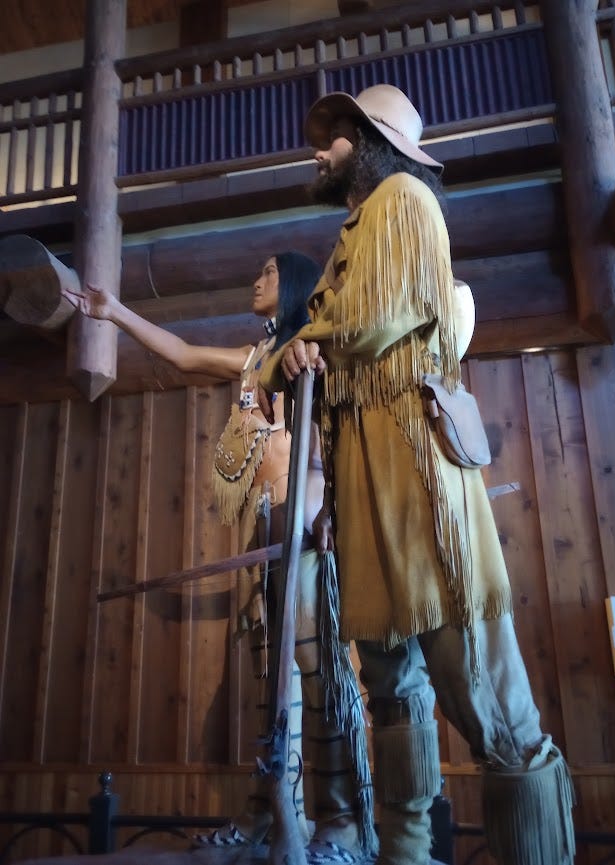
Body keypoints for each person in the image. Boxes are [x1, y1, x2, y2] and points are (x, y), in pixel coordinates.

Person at [259, 85, 575, 865]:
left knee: (488, 700)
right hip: (367, 495)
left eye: (334, 137)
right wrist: (287, 353)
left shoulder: (403, 199)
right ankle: (406, 853)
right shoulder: (350, 234)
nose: (320, 148)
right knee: (395, 695)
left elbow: (363, 325)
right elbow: (323, 360)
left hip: (418, 482)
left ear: (372, 142)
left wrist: (297, 347)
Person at [63, 252, 376, 865]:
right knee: (274, 686)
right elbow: (181, 354)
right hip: (266, 531)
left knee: (321, 677)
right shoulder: (255, 361)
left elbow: (348, 440)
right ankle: (270, 813)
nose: (255, 280)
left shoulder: (316, 353)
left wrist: (333, 514)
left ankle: (340, 821)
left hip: (309, 526)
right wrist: (114, 311)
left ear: (293, 287)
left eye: (268, 273)